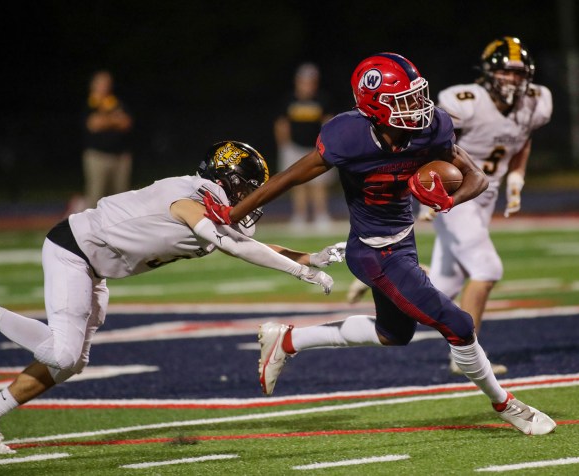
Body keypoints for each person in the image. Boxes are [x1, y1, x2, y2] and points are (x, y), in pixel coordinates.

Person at [202, 54, 556, 436]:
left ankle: (287, 340)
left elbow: (477, 179)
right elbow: (288, 178)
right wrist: (233, 213)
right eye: (403, 100)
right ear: (373, 106)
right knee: (458, 323)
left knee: (394, 334)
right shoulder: (348, 136)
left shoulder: (431, 127)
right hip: (372, 252)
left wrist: (448, 201)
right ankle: (507, 405)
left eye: (417, 96)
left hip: (404, 242)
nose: (417, 107)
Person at [0, 140, 344, 455]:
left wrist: (308, 256)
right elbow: (228, 242)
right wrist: (299, 271)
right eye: (246, 187)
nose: (250, 198)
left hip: (94, 267)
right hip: (74, 251)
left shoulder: (209, 203)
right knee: (63, 354)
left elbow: (247, 242)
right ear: (225, 178)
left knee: (70, 363)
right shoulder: (190, 195)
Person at [348, 37, 553, 377]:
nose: (513, 81)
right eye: (506, 72)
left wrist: (517, 177)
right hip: (452, 191)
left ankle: (384, 281)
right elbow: (427, 142)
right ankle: (468, 358)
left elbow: (523, 135)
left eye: (519, 74)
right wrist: (428, 189)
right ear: (489, 73)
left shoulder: (536, 102)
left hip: (484, 195)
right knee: (487, 269)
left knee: (445, 283)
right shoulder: (465, 101)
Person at [274, 63, 336, 231]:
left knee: (319, 183)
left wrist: (328, 143)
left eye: (310, 81)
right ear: (297, 81)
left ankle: (321, 215)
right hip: (294, 146)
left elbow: (329, 121)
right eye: (304, 81)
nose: (307, 85)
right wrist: (284, 145)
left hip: (317, 148)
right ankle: (299, 216)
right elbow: (282, 123)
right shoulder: (289, 99)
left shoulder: (322, 99)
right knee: (297, 183)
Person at [81, 70, 134, 210]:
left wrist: (106, 121)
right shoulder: (90, 103)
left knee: (121, 198)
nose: (105, 86)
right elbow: (94, 124)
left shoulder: (115, 102)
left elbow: (126, 123)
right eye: (101, 82)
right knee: (95, 196)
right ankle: (91, 229)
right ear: (93, 85)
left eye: (107, 83)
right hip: (98, 156)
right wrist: (114, 120)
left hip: (120, 156)